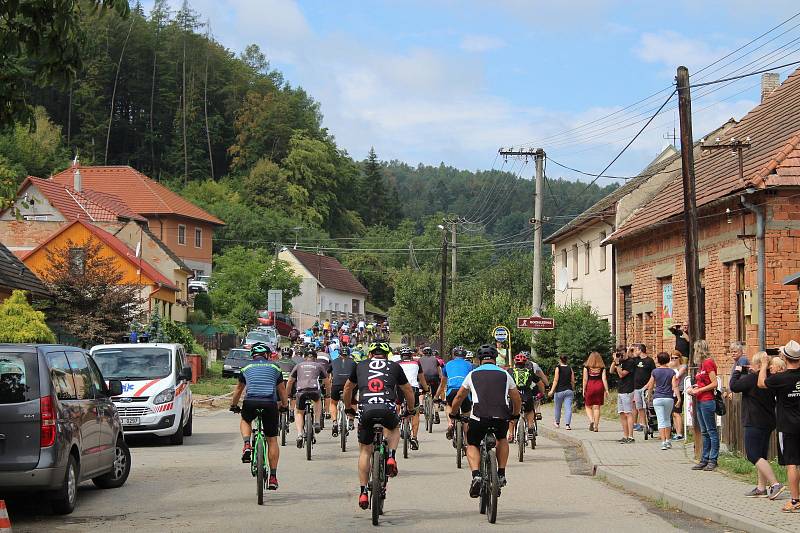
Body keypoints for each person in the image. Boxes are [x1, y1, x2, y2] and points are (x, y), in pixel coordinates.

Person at [343, 341, 415, 510]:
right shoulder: (394, 366)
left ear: (370, 354)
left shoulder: (360, 365)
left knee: (365, 451)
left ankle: (362, 492)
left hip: (366, 409)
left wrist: (348, 407)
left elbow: (348, 388)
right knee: (394, 428)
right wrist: (411, 410)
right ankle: (391, 456)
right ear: (387, 354)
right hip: (387, 409)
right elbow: (408, 390)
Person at [449, 345, 521, 497]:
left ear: (479, 359)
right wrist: (515, 415)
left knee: (472, 443)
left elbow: (459, 397)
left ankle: (476, 475)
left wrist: (454, 414)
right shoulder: (505, 374)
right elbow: (516, 397)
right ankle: (501, 473)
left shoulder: (472, 374)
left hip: (479, 417)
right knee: (501, 438)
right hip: (501, 416)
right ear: (495, 359)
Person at [229, 343, 288, 490]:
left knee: (245, 419)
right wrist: (285, 405)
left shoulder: (246, 368)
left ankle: (247, 444)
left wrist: (234, 405)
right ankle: (273, 477)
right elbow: (281, 389)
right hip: (270, 403)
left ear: (252, 356)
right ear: (267, 355)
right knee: (272, 439)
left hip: (251, 401)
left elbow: (238, 389)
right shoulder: (275, 367)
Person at [732, 352, 784, 499]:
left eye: (753, 363)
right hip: (768, 421)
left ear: (758, 364)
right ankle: (761, 488)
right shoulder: (771, 379)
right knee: (761, 455)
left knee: (753, 455)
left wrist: (737, 371)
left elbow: (734, 386)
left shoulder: (753, 378)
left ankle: (775, 484)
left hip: (754, 421)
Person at [759, 340, 800, 512]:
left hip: (789, 426)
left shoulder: (780, 379)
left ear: (785, 357)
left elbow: (761, 383)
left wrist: (763, 364)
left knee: (792, 463)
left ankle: (795, 499)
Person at [286, 347, 331, 449]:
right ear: (315, 358)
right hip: (314, 390)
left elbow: (290, 381)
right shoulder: (319, 366)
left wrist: (288, 394)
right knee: (317, 401)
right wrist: (328, 394)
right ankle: (317, 422)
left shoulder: (298, 365)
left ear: (304, 357)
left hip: (301, 391)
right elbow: (327, 382)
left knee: (299, 412)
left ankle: (299, 434)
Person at [687, 340, 720, 471]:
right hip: (700, 400)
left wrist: (699, 390)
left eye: (695, 350)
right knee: (704, 431)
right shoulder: (701, 365)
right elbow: (703, 382)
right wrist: (695, 387)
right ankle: (704, 458)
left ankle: (713, 459)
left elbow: (714, 383)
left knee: (711, 431)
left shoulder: (708, 363)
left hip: (707, 400)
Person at [646, 352, 681, 450]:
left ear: (658, 360)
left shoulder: (655, 372)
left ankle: (663, 442)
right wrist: (678, 398)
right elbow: (675, 386)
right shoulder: (671, 372)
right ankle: (668, 441)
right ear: (668, 360)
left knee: (660, 420)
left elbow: (651, 386)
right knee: (667, 419)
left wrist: (649, 397)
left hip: (657, 398)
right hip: (668, 398)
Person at [397, 347, 429, 450]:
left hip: (400, 388)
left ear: (401, 356)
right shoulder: (416, 363)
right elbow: (422, 379)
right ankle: (414, 437)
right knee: (415, 413)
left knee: (397, 404)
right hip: (413, 389)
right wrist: (426, 389)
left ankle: (397, 421)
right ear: (411, 355)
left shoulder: (397, 364)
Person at [507, 352, 544, 441]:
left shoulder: (510, 372)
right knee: (530, 411)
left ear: (515, 362)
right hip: (527, 395)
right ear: (525, 363)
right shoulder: (529, 372)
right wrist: (542, 393)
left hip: (515, 395)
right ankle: (530, 426)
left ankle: (511, 434)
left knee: (512, 415)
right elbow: (540, 384)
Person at [441, 346, 474, 440]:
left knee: (449, 405)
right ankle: (467, 441)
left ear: (453, 355)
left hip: (452, 391)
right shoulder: (469, 365)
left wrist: (436, 397)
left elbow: (442, 384)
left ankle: (450, 423)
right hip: (465, 391)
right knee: (466, 414)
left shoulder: (447, 365)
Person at [610, 346, 638, 443]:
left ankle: (631, 436)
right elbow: (610, 371)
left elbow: (621, 374)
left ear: (625, 352)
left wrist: (618, 364)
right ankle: (625, 435)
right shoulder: (619, 362)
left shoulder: (630, 362)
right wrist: (615, 361)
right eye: (618, 353)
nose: (620, 355)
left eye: (621, 353)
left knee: (628, 413)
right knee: (622, 414)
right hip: (621, 390)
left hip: (628, 390)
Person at [329, 346, 357, 437]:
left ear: (339, 354)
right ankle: (351, 420)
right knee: (353, 400)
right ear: (349, 354)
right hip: (349, 385)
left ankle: (334, 422)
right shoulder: (353, 362)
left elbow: (328, 372)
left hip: (336, 385)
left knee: (333, 403)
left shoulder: (334, 361)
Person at [582, 351, 609, 432]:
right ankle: (596, 427)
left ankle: (592, 421)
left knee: (587, 405)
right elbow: (604, 379)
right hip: (599, 386)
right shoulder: (602, 368)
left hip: (590, 386)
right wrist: (606, 390)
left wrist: (584, 389)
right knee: (597, 407)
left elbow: (585, 379)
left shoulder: (586, 367)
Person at [632, 344, 655, 432]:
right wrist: (630, 349)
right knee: (639, 407)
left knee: (647, 407)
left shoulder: (649, 361)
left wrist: (649, 385)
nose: (635, 352)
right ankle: (643, 424)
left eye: (636, 350)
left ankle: (649, 423)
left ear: (640, 350)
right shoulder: (635, 360)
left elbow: (653, 374)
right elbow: (627, 358)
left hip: (646, 387)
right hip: (636, 387)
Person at [548, 354, 575, 430]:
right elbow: (572, 381)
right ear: (567, 360)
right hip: (569, 390)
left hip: (559, 391)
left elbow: (556, 380)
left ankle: (557, 423)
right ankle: (567, 425)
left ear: (560, 360)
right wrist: (572, 388)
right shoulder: (570, 368)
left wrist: (552, 391)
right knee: (568, 408)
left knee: (557, 408)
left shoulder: (558, 368)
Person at [419, 346, 443, 423]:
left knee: (422, 391)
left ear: (423, 353)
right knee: (435, 396)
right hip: (434, 378)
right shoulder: (435, 359)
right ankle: (436, 412)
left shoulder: (420, 360)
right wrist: (440, 378)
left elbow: (418, 371)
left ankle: (421, 405)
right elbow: (439, 371)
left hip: (424, 377)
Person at [668, 350, 688, 440]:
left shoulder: (683, 366)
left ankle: (680, 433)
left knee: (677, 412)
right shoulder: (671, 367)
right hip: (672, 390)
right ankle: (677, 432)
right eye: (672, 358)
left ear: (680, 358)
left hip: (680, 390)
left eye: (676, 358)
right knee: (673, 413)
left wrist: (672, 368)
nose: (674, 360)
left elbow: (677, 376)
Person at [275, 347, 298, 417]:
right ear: (291, 355)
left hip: (279, 383)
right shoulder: (294, 363)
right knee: (293, 396)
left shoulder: (277, 362)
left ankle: (278, 412)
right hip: (289, 384)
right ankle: (291, 410)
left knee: (278, 398)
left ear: (282, 354)